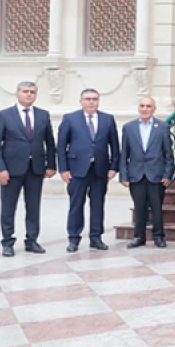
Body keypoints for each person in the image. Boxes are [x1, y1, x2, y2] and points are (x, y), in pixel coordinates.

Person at [0, 81, 57, 257]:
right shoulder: (4, 115)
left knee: (33, 206)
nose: (29, 95)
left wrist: (51, 165)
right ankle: (7, 241)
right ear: (17, 94)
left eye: (32, 92)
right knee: (8, 207)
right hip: (11, 170)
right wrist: (0, 169)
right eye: (25, 91)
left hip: (35, 169)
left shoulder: (43, 115)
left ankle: (32, 240)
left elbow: (50, 143)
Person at [57, 88, 118, 253]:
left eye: (94, 99)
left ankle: (96, 237)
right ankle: (74, 238)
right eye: (88, 99)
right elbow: (61, 146)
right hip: (77, 170)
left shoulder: (107, 119)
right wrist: (63, 169)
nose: (91, 102)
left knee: (98, 204)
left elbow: (114, 145)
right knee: (76, 204)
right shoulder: (70, 118)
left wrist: (114, 168)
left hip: (100, 169)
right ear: (81, 101)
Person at [120, 96, 172, 249]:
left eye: (148, 106)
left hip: (156, 174)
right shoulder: (129, 127)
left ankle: (158, 236)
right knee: (139, 207)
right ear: (138, 108)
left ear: (154, 109)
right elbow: (124, 154)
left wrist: (167, 173)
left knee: (156, 208)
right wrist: (124, 175)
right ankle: (138, 236)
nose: (145, 109)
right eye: (142, 106)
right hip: (136, 174)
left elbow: (168, 153)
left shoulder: (162, 127)